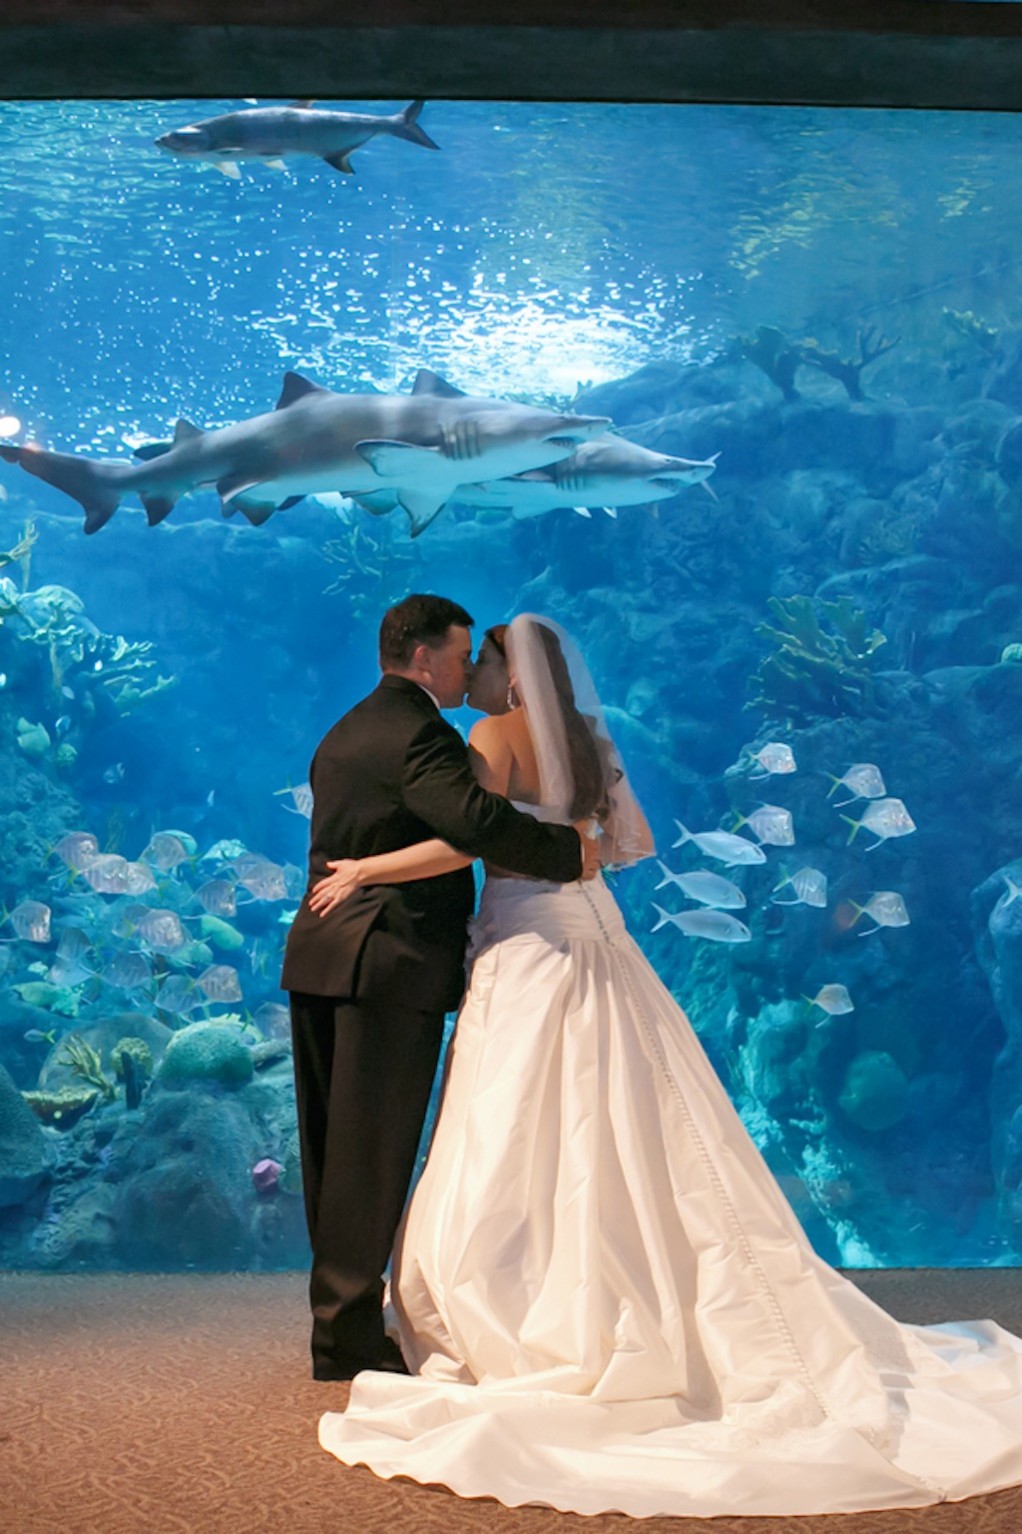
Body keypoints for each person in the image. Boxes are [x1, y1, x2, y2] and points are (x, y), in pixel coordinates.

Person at [313, 612, 1022, 1519]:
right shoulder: (583, 737)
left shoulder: (493, 733)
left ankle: (548, 1308)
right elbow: (616, 848)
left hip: (529, 945)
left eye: (485, 660)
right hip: (595, 933)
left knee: (525, 1126)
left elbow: (469, 836)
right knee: (632, 1118)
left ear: (513, 673)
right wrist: (566, 854)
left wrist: (366, 868)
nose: (476, 676)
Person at [280, 595, 599, 1382]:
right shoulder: (422, 731)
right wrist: (572, 852)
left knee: (330, 1151)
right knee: (373, 1152)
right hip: (385, 963)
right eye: (460, 657)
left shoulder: (345, 729)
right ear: (423, 658)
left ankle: (338, 1325)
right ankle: (348, 1338)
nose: (466, 671)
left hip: (322, 955)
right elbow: (473, 822)